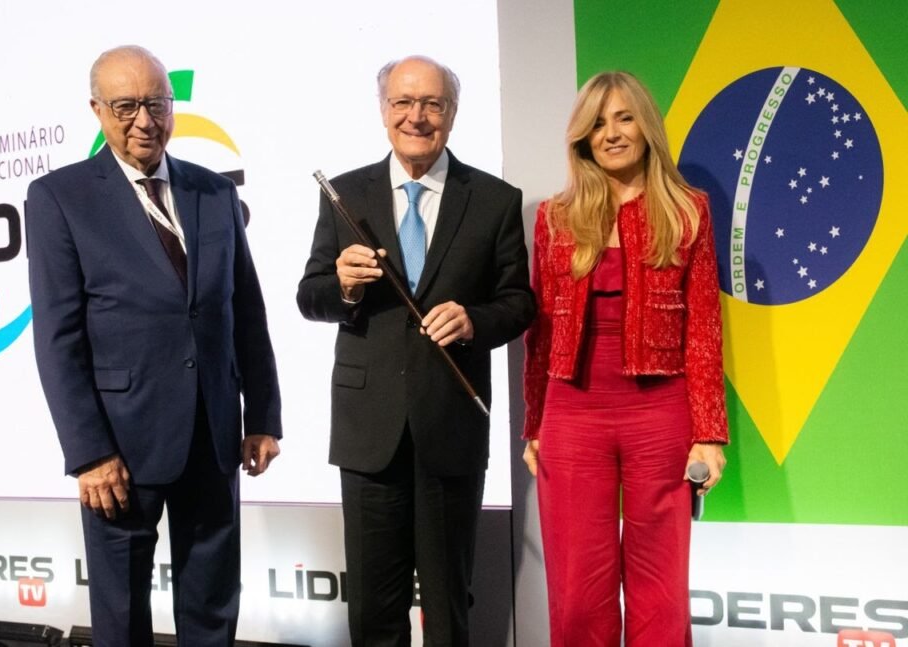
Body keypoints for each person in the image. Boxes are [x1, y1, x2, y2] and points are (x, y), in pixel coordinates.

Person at [27, 45, 282, 647]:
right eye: (126, 106)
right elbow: (58, 337)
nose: (145, 120)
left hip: (215, 437)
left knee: (214, 605)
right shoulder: (59, 197)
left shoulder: (214, 193)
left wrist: (263, 416)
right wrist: (88, 452)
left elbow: (245, 311)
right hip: (119, 449)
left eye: (158, 104)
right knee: (120, 617)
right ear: (96, 110)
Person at [297, 55, 534, 646]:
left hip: (449, 425)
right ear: (383, 112)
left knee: (450, 606)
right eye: (403, 103)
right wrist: (345, 286)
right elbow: (311, 295)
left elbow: (519, 302)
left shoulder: (494, 199)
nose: (416, 116)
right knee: (374, 607)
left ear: (451, 114)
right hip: (367, 430)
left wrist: (472, 320)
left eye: (431, 103)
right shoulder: (345, 194)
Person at [522, 71, 728, 646]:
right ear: (582, 137)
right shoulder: (556, 218)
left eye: (624, 117)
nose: (611, 133)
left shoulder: (689, 211)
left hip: (660, 414)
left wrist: (708, 432)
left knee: (660, 593)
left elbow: (705, 327)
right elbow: (539, 332)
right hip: (572, 414)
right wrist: (534, 422)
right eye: (597, 123)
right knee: (577, 594)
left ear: (646, 126)